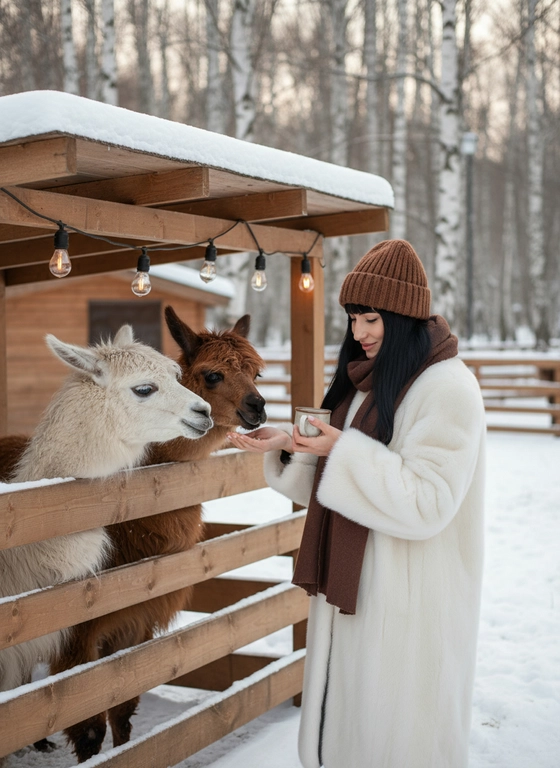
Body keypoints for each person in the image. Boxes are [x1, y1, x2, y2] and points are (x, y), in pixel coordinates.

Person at [227, 239, 486, 768]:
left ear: (404, 317)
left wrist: (341, 451)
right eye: (352, 319)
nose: (358, 333)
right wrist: (292, 445)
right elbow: (336, 487)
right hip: (356, 591)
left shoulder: (448, 389)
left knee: (398, 741)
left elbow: (429, 502)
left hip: (408, 605)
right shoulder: (367, 383)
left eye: (371, 319)